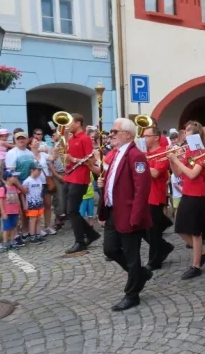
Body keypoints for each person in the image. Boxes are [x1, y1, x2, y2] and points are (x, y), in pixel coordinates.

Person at [97, 118, 153, 311]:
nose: (110, 134)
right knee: (110, 249)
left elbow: (142, 189)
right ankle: (140, 274)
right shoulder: (115, 154)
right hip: (113, 210)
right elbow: (115, 181)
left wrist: (136, 216)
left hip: (129, 213)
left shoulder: (135, 155)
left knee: (132, 256)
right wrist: (103, 186)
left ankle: (132, 295)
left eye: (114, 131)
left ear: (127, 134)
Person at [167, 122, 205, 279]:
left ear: (194, 134)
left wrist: (176, 159)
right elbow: (179, 173)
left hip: (197, 194)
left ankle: (196, 265)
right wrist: (172, 161)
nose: (184, 134)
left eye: (186, 131)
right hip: (187, 192)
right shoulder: (189, 151)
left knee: (194, 231)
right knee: (180, 228)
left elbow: (193, 174)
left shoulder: (202, 151)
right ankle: (203, 254)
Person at [64, 114, 100, 254]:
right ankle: (91, 234)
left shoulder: (85, 138)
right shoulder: (71, 138)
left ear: (78, 123)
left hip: (80, 178)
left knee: (73, 211)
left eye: (70, 122)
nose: (68, 125)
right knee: (70, 211)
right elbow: (68, 159)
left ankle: (80, 242)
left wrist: (71, 158)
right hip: (69, 176)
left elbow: (89, 160)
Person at [142, 127, 175, 271]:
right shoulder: (146, 153)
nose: (144, 139)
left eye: (147, 136)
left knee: (153, 230)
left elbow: (155, 173)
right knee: (144, 229)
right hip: (144, 194)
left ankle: (155, 260)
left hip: (155, 195)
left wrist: (140, 162)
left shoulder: (163, 152)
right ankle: (164, 247)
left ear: (156, 137)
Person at [0, 170, 24, 251]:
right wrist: (3, 212)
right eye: (14, 177)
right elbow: (1, 201)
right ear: (8, 178)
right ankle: (5, 243)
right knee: (6, 228)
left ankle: (12, 241)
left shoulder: (15, 188)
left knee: (13, 227)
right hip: (7, 212)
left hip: (15, 212)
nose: (16, 178)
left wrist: (20, 210)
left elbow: (18, 200)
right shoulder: (3, 189)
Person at [21, 163, 45, 244]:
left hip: (39, 202)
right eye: (38, 170)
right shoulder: (27, 181)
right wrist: (24, 204)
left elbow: (41, 191)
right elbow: (22, 193)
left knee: (38, 219)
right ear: (32, 170)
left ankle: (38, 234)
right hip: (31, 203)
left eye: (40, 170)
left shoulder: (39, 180)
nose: (39, 172)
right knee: (33, 220)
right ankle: (32, 235)